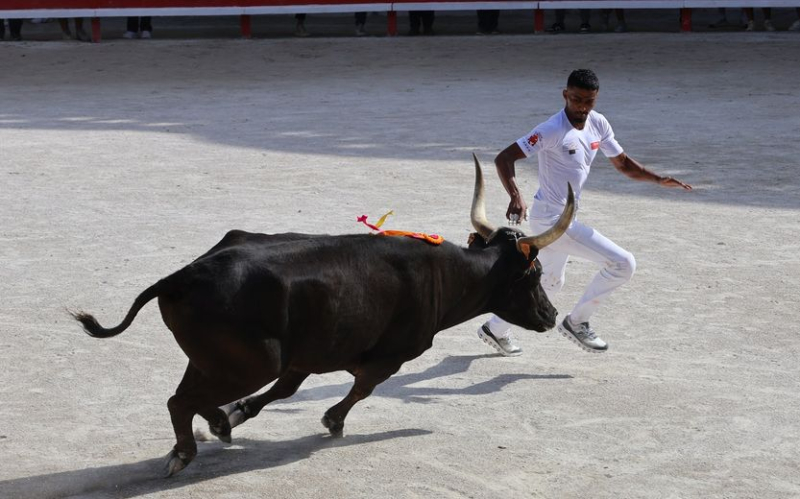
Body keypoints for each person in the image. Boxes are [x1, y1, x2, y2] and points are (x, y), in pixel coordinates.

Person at [476, 69, 692, 356]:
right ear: (565, 95)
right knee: (623, 263)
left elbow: (623, 163)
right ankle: (577, 322)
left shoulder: (598, 123)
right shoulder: (551, 130)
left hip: (566, 218)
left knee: (551, 283)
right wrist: (515, 195)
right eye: (576, 99)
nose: (582, 106)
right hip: (551, 221)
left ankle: (496, 329)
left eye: (588, 101)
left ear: (596, 98)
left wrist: (657, 179)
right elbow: (504, 158)